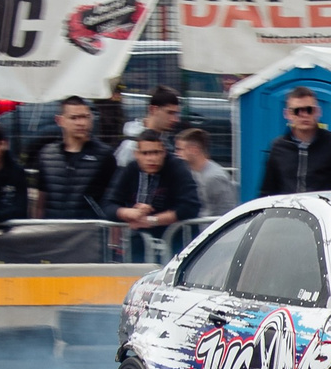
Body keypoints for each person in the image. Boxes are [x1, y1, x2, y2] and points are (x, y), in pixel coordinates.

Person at [100, 126, 199, 254]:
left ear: (164, 152)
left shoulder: (177, 167)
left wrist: (152, 220)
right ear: (136, 154)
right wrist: (128, 213)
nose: (151, 158)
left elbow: (190, 206)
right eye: (145, 153)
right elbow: (107, 204)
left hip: (177, 246)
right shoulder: (131, 169)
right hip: (139, 246)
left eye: (156, 152)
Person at [257, 89, 331, 196]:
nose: (304, 115)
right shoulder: (278, 147)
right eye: (297, 111)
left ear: (318, 112)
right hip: (289, 206)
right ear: (287, 114)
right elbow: (267, 191)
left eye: (309, 110)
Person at [30, 95, 114, 220]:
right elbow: (41, 201)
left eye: (85, 117)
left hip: (88, 228)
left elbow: (112, 199)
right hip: (52, 227)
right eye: (74, 118)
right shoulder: (47, 155)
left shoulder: (104, 155)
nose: (81, 123)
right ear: (60, 120)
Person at [173, 125, 239, 219]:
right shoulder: (191, 173)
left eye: (179, 149)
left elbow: (226, 211)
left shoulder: (215, 178)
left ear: (194, 150)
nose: (176, 154)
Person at [113, 85, 183, 169]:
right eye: (170, 113)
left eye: (176, 114)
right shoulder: (131, 146)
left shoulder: (166, 141)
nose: (175, 119)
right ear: (153, 110)